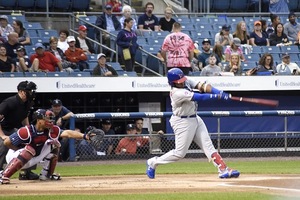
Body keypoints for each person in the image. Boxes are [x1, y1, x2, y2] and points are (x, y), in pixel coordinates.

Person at [146, 68, 240, 179]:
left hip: (195, 117)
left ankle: (223, 169)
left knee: (208, 146)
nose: (182, 82)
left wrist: (218, 91)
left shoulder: (185, 81)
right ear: (173, 83)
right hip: (182, 122)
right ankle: (153, 162)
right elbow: (199, 97)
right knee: (179, 153)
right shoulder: (177, 93)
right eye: (179, 82)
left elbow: (203, 86)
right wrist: (217, 96)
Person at [0, 109, 95, 184]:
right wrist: (18, 149)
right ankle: (4, 175)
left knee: (55, 143)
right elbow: (7, 142)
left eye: (50, 118)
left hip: (32, 157)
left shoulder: (52, 130)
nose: (50, 120)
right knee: (30, 149)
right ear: (39, 120)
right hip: (15, 157)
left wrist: (85, 136)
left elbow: (68, 133)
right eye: (46, 118)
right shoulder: (26, 131)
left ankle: (46, 174)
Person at [0, 81, 38, 180]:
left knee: (29, 143)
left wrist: (29, 130)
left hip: (11, 129)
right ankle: (0, 171)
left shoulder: (28, 103)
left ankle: (26, 172)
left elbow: (24, 117)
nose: (31, 93)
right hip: (2, 129)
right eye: (28, 91)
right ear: (21, 92)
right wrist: (2, 135)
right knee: (4, 145)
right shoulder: (9, 102)